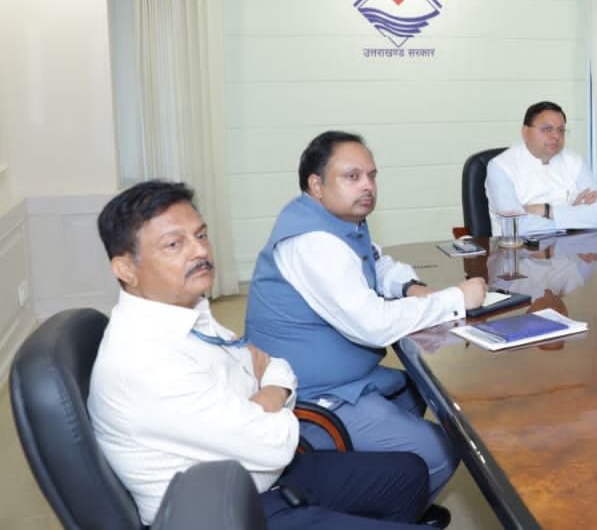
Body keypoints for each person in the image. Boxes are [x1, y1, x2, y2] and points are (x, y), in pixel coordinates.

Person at [88, 180, 438, 529]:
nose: (199, 251)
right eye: (174, 244)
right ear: (125, 269)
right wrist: (270, 394)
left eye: (201, 235)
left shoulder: (185, 312)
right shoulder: (145, 359)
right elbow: (274, 444)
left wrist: (267, 395)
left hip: (259, 479)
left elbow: (275, 366)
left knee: (409, 473)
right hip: (220, 515)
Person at [245, 131, 486, 508]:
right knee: (441, 449)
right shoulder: (313, 243)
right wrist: (455, 299)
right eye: (352, 176)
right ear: (316, 185)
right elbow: (373, 324)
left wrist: (409, 287)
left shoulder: (333, 218)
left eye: (372, 176)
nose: (367, 186)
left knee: (420, 390)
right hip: (312, 395)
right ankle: (384, 513)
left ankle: (382, 488)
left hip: (345, 379)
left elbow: (374, 262)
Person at [485, 101, 597, 235]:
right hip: (521, 247)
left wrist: (545, 210)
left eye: (561, 130)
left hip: (573, 245)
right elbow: (515, 226)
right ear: (525, 132)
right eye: (547, 129)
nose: (556, 136)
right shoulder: (500, 167)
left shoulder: (575, 161)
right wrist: (573, 216)